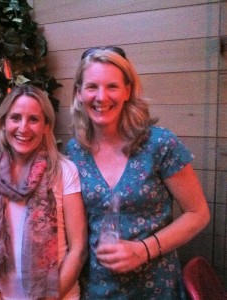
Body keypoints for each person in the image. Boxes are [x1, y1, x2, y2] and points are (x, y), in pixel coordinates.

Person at [65, 46, 210, 299]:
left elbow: (198, 213)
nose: (102, 97)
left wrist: (144, 250)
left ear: (127, 90)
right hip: (97, 290)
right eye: (92, 87)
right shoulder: (75, 150)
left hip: (156, 288)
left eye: (112, 86)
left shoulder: (160, 144)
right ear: (78, 93)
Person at [0, 84, 88, 299]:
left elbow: (78, 249)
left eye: (33, 119)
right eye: (15, 118)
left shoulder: (64, 171)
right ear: (3, 123)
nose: (23, 128)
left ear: (46, 127)